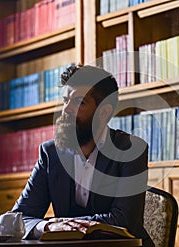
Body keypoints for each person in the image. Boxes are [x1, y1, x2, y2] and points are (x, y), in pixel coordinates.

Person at [11, 64, 155, 247]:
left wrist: (66, 225)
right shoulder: (50, 154)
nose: (66, 110)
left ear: (104, 112)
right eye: (65, 101)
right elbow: (18, 218)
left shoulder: (131, 150)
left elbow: (124, 220)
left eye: (79, 102)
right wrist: (48, 226)